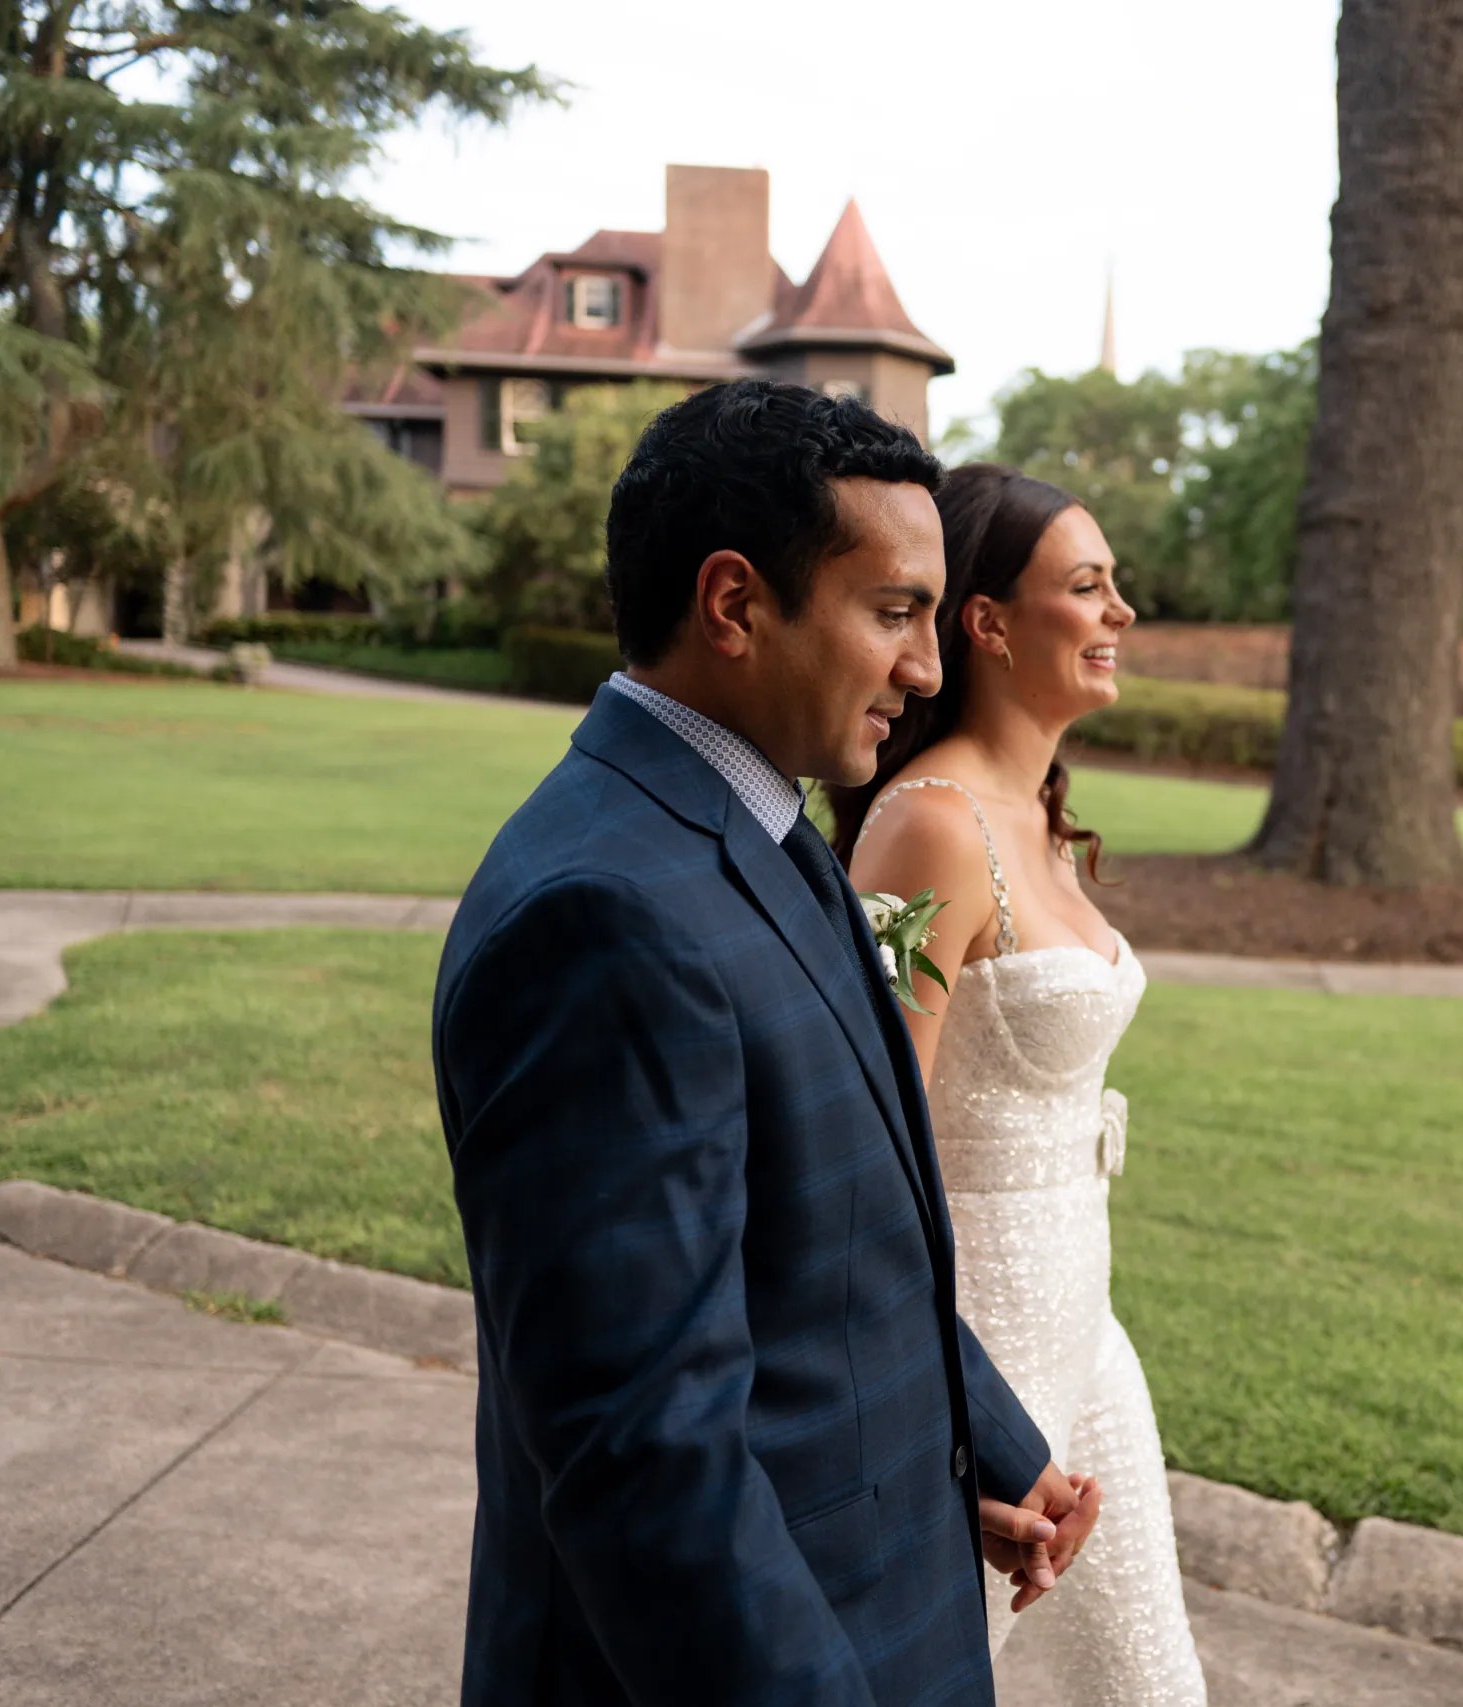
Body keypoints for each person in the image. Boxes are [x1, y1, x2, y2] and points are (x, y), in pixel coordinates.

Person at [433, 384, 1102, 1707]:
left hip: (877, 1584)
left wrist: (987, 1445)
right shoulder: (602, 915)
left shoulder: (766, 826)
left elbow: (842, 1228)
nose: (924, 667)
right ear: (735, 605)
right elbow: (647, 1454)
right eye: (896, 610)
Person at [831, 463, 1207, 1705]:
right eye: (1086, 587)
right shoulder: (926, 828)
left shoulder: (1038, 815)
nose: (1120, 615)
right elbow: (867, 1138)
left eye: (1116, 588)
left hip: (1086, 1334)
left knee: (1152, 1688)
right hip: (978, 1352)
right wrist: (948, 1417)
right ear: (986, 623)